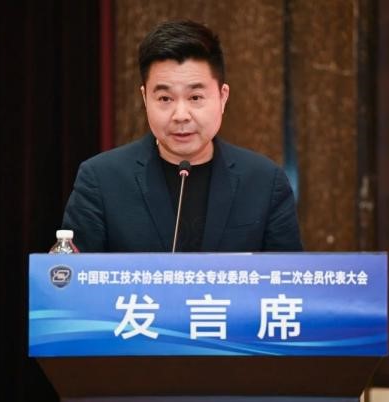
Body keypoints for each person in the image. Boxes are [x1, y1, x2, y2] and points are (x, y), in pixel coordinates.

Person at [61, 19, 302, 252]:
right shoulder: (101, 180)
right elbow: (70, 275)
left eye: (195, 97)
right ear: (145, 98)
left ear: (223, 97)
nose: (181, 115)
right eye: (165, 98)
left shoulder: (265, 182)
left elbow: (288, 275)